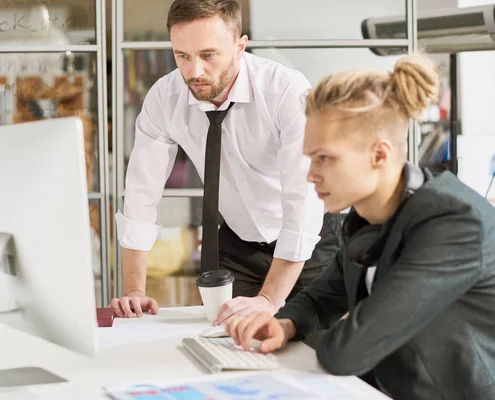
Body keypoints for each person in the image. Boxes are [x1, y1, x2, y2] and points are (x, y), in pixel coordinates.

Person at [225, 53, 495, 400]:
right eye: (309, 157)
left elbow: (349, 350)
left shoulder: (454, 224)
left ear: (379, 155)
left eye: (324, 157)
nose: (310, 173)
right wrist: (284, 324)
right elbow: (323, 296)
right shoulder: (366, 216)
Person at [110, 0, 342, 324]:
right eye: (182, 56)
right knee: (227, 340)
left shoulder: (286, 91)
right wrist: (134, 290)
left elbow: (301, 205)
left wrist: (269, 299)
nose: (194, 72)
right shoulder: (164, 99)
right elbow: (140, 196)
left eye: (208, 55)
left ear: (239, 46)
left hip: (311, 243)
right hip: (238, 243)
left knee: (319, 349)